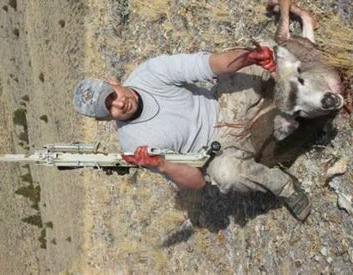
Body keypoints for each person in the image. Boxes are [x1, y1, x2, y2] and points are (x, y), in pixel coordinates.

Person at [72, 47, 311, 221]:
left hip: (224, 104)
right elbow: (196, 182)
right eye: (109, 108)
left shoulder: (149, 73)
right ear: (104, 119)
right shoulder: (134, 145)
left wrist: (249, 56)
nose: (119, 104)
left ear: (112, 81)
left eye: (112, 95)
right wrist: (162, 165)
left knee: (255, 54)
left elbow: (210, 64)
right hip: (217, 149)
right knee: (226, 175)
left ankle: (306, 72)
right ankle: (287, 188)